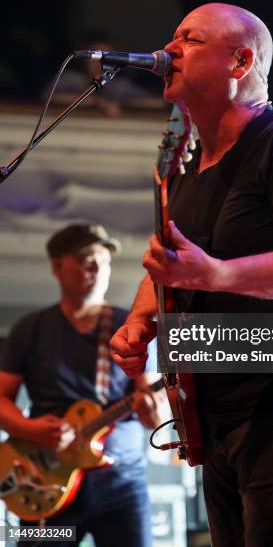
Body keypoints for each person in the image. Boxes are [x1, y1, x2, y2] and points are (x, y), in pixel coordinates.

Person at [110, 3, 273, 546]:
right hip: (218, 399)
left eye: (189, 39)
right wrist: (139, 321)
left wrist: (216, 275)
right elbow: (170, 264)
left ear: (240, 61)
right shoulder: (188, 168)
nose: (168, 48)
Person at [0, 222, 162, 547]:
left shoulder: (131, 326)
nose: (98, 265)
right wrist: (30, 430)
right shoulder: (30, 328)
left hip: (121, 484)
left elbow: (154, 419)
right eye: (86, 256)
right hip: (42, 481)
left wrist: (153, 409)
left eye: (104, 257)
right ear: (58, 267)